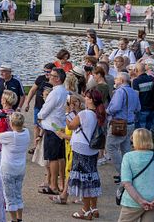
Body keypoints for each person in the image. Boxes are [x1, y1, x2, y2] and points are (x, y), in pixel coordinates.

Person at [62, 88, 105, 220]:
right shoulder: (99, 114)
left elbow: (71, 126)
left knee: (84, 179)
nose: (84, 98)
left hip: (81, 149)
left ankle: (85, 210)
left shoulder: (84, 114)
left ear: (91, 100)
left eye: (86, 97)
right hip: (92, 149)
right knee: (92, 176)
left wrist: (67, 114)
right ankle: (94, 207)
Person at [118, 128, 154, 222]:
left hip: (132, 202)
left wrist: (140, 201)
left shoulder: (128, 157)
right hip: (153, 202)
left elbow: (126, 183)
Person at [38, 68, 70, 195]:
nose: (49, 77)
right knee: (59, 156)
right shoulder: (64, 91)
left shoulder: (55, 93)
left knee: (53, 158)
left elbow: (45, 110)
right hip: (59, 126)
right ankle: (59, 182)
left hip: (52, 127)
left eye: (52, 75)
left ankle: (53, 185)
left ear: (58, 78)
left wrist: (39, 117)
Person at [106, 72, 142, 183]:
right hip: (131, 123)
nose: (115, 81)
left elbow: (115, 107)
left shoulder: (120, 91)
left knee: (110, 147)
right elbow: (138, 108)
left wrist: (108, 110)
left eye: (116, 79)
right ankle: (129, 173)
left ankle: (124, 173)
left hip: (119, 124)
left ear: (121, 81)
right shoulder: (134, 92)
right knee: (125, 149)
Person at [0, 112, 30, 222]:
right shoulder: (26, 133)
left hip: (8, 170)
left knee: (9, 197)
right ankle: (19, 218)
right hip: (20, 169)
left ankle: (13, 219)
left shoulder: (10, 136)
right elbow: (22, 128)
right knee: (18, 194)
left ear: (11, 123)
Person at [24, 63, 55, 152]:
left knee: (47, 127)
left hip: (49, 109)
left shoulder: (55, 82)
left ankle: (45, 146)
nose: (46, 73)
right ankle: (36, 146)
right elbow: (32, 90)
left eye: (48, 72)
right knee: (36, 126)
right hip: (38, 106)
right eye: (44, 71)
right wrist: (27, 103)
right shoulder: (40, 78)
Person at [132, 62, 154, 133]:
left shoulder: (136, 81)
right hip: (153, 109)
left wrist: (133, 110)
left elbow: (136, 97)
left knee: (141, 132)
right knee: (150, 131)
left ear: (136, 70)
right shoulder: (152, 79)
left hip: (142, 110)